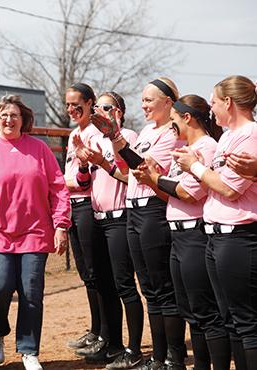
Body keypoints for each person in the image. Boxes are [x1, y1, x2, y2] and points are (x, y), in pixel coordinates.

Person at [0, 94, 71, 370]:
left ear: (24, 120)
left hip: (34, 232)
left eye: (14, 115)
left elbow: (58, 189)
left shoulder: (39, 149)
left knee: (31, 292)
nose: (9, 120)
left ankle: (29, 350)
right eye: (4, 115)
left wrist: (61, 225)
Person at [91, 78, 185, 370]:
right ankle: (157, 357)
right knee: (148, 288)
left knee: (162, 287)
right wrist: (114, 147)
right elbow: (127, 171)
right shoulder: (146, 131)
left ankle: (173, 358)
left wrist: (117, 137)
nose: (144, 105)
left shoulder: (171, 133)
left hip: (154, 210)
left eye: (149, 100)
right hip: (134, 209)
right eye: (142, 100)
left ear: (168, 102)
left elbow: (144, 168)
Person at [136, 94, 231, 369]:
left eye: (174, 120)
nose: (171, 127)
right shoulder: (186, 149)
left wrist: (155, 179)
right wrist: (152, 180)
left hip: (196, 235)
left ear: (187, 117)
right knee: (190, 310)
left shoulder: (207, 147)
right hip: (178, 235)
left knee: (206, 311)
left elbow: (189, 193)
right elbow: (172, 196)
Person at [172, 75, 257, 370]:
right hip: (216, 235)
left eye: (215, 102)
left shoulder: (249, 134)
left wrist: (193, 166)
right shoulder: (228, 137)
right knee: (230, 319)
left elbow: (229, 188)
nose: (212, 109)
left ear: (229, 103)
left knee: (246, 321)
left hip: (238, 236)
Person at [72, 91, 145, 369]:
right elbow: (83, 182)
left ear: (119, 112)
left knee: (125, 284)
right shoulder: (93, 138)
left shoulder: (129, 137)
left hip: (120, 217)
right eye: (98, 108)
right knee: (103, 283)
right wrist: (81, 162)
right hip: (98, 217)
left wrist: (105, 159)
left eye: (107, 107)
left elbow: (133, 177)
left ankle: (134, 348)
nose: (101, 112)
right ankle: (112, 344)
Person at [63, 83, 109, 356]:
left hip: (89, 206)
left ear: (90, 103)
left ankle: (105, 333)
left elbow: (82, 182)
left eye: (76, 104)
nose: (71, 109)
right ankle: (95, 330)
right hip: (73, 207)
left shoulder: (96, 132)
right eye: (68, 105)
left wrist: (59, 183)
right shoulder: (73, 135)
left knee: (97, 272)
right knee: (86, 274)